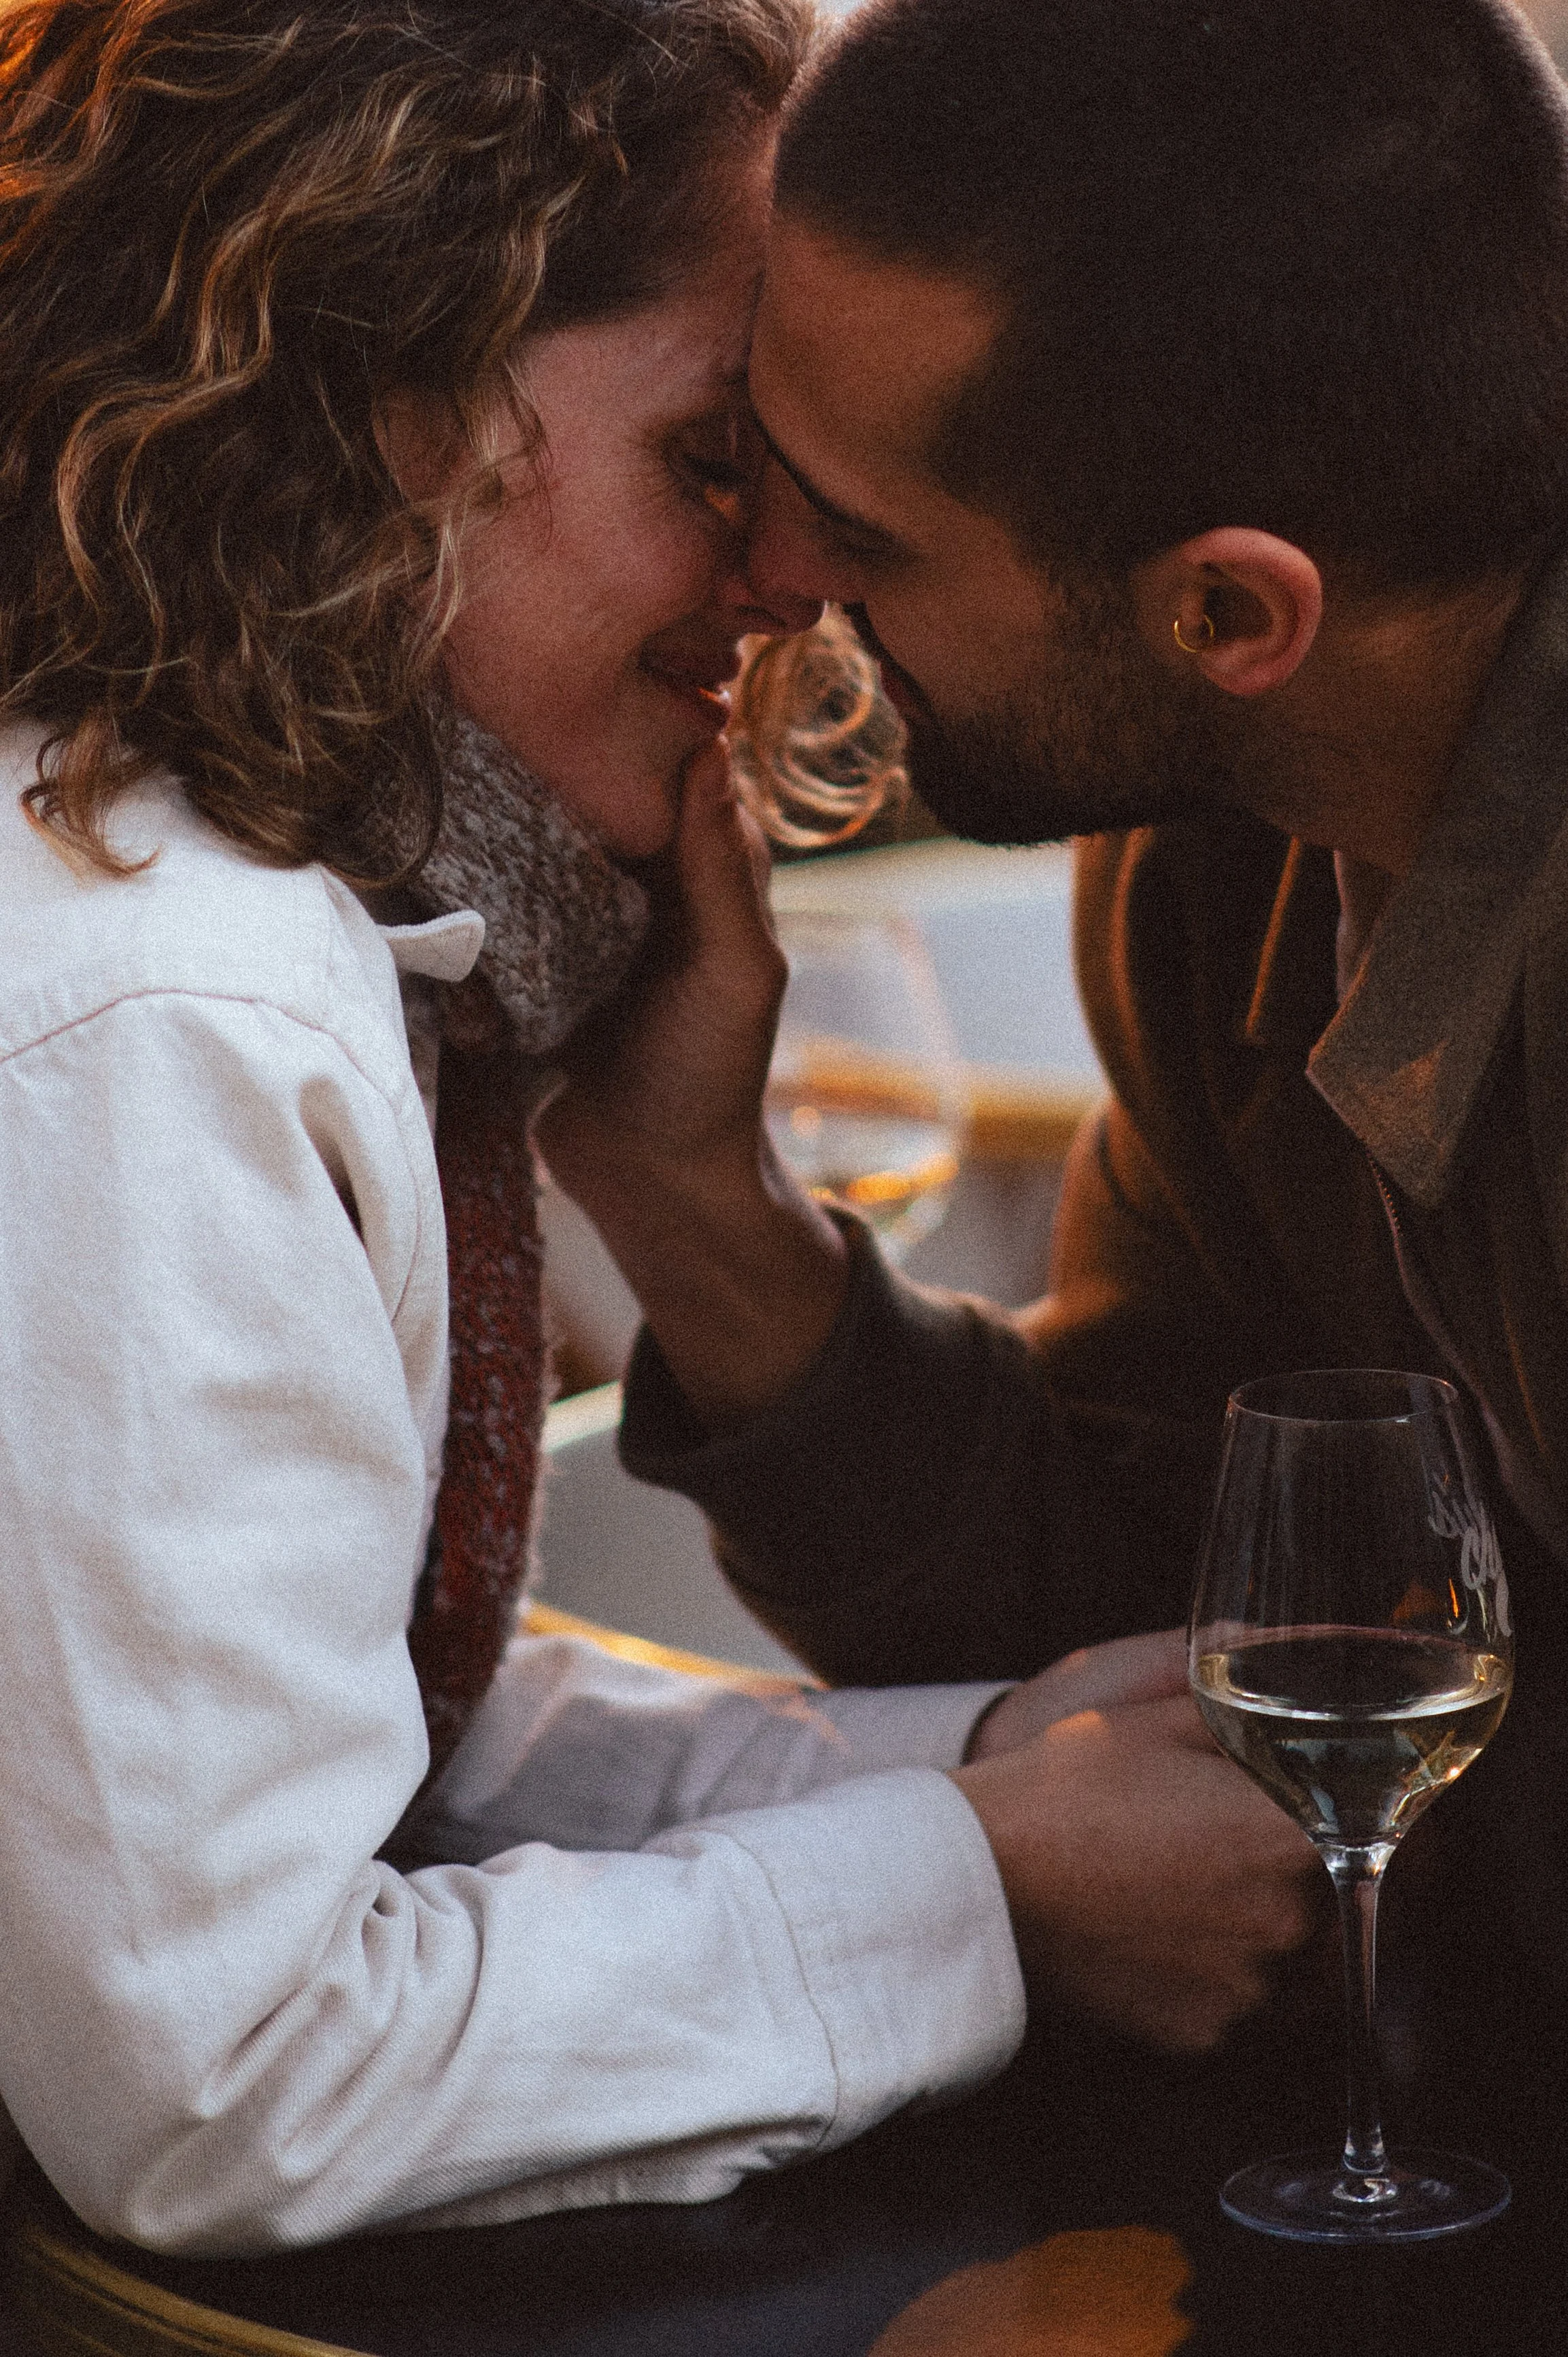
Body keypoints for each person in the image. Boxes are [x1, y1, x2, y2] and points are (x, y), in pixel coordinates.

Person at [0, 0, 1314, 2257]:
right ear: (383, 406)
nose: (796, 577)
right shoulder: (164, 1003)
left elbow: (369, 1736)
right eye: (716, 461)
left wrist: (986, 1762)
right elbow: (225, 2078)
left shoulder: (228, 887)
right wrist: (982, 1886)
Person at [536, 0, 1568, 2039]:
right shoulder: (1223, 856)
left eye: (863, 531)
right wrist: (691, 1197)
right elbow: (1158, 1616)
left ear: (1231, 612)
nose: (770, 577)